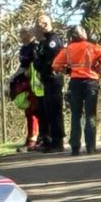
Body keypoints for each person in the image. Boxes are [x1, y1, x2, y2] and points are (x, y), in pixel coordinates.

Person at [52, 25, 101, 156]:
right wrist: (97, 66)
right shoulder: (92, 47)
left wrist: (68, 70)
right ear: (83, 34)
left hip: (75, 83)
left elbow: (56, 65)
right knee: (90, 115)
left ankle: (75, 147)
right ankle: (91, 147)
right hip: (91, 83)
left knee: (76, 115)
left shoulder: (68, 49)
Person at [33, 14, 66, 153]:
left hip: (53, 78)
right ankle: (49, 139)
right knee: (46, 111)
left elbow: (51, 60)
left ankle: (58, 141)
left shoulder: (53, 40)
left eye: (38, 26)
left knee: (54, 111)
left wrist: (41, 64)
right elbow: (38, 59)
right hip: (45, 79)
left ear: (45, 25)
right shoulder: (43, 41)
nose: (36, 29)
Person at [11, 27, 42, 151]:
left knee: (34, 111)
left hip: (34, 83)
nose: (21, 35)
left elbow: (33, 65)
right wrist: (14, 77)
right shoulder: (23, 48)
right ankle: (30, 137)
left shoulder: (34, 47)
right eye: (20, 33)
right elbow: (22, 65)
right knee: (28, 111)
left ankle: (34, 138)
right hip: (24, 81)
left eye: (24, 33)